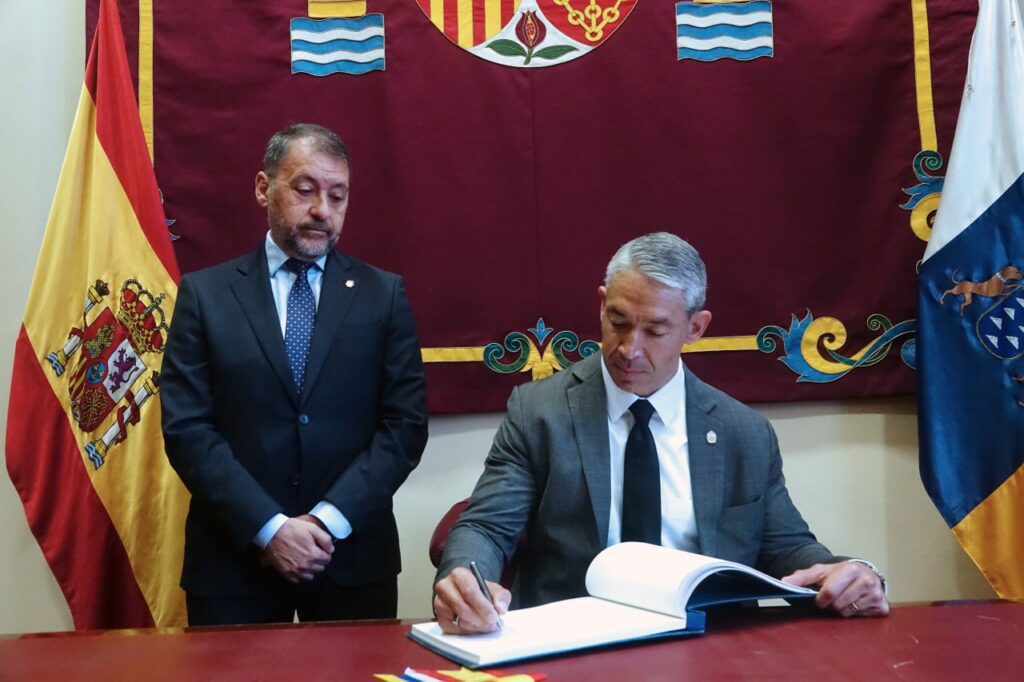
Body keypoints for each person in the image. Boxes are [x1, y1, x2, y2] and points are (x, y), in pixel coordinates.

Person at [433, 232, 888, 634]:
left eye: (654, 330)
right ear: (601, 304)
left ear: (696, 328)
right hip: (576, 644)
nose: (629, 349)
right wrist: (466, 579)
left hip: (710, 646)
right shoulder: (539, 412)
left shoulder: (743, 433)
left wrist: (848, 574)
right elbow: (487, 527)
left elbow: (788, 548)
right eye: (618, 322)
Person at [161, 123, 428, 625]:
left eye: (337, 196)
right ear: (264, 188)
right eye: (305, 190)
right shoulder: (205, 296)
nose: (322, 210)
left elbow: (405, 427)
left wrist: (326, 522)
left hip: (351, 560)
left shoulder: (383, 295)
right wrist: (270, 528)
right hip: (234, 564)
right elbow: (187, 429)